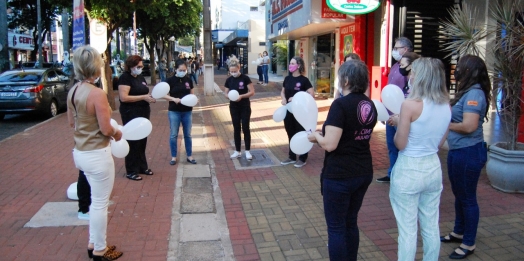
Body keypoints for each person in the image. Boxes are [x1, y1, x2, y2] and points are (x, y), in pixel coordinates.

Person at [307, 60, 377, 260]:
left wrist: (316, 137)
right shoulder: (368, 103)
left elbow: (330, 144)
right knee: (350, 222)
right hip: (362, 170)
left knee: (336, 227)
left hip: (340, 175)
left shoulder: (341, 105)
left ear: (345, 80)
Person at [388, 57, 451, 261]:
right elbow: (439, 143)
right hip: (432, 167)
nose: (410, 76)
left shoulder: (410, 105)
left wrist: (399, 123)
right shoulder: (446, 105)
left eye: (413, 72)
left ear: (421, 77)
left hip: (409, 169)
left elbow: (400, 144)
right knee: (431, 225)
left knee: (407, 231)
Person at [67, 46, 123, 261]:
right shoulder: (97, 94)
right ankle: (100, 249)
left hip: (80, 152)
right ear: (96, 67)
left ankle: (94, 243)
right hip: (97, 153)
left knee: (94, 201)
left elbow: (72, 122)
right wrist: (117, 133)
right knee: (100, 203)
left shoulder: (73, 91)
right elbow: (106, 129)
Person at [440, 55, 490, 259]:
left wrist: (444, 123)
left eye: (460, 67)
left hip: (468, 152)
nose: (456, 70)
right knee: (460, 194)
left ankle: (468, 242)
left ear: (470, 70)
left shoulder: (475, 94)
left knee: (468, 198)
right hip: (458, 151)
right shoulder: (466, 92)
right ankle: (459, 231)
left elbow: (469, 126)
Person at [376, 36, 413, 183]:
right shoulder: (395, 66)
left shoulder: (410, 70)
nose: (394, 51)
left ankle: (402, 175)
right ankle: (392, 173)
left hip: (402, 115)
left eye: (397, 48)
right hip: (390, 114)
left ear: (406, 49)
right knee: (392, 145)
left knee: (402, 146)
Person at [118, 55, 156, 181]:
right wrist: (143, 97)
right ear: (131, 66)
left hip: (143, 111)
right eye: (138, 66)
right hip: (131, 112)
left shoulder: (140, 77)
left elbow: (144, 92)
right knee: (132, 141)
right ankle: (131, 170)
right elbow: (124, 97)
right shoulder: (125, 78)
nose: (140, 68)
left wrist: (149, 98)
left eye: (141, 66)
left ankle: (142, 166)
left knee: (142, 140)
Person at [280, 56, 314, 168]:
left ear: (298, 66)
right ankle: (291, 156)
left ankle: (303, 158)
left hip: (300, 113)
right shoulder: (287, 79)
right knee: (290, 132)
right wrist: (283, 98)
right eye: (290, 63)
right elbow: (283, 91)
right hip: (288, 111)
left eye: (293, 63)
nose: (290, 65)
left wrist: (296, 98)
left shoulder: (304, 80)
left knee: (301, 133)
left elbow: (311, 94)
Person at [164, 59, 197, 166]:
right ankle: (173, 156)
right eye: (180, 70)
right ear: (175, 69)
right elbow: (163, 94)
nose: (182, 72)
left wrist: (194, 100)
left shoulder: (188, 80)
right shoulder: (169, 80)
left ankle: (189, 155)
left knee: (188, 134)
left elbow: (192, 94)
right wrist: (173, 99)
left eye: (184, 70)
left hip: (187, 111)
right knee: (174, 134)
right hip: (174, 111)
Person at [224, 58, 255, 160]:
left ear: (239, 68)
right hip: (233, 107)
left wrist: (241, 96)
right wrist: (229, 96)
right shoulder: (229, 80)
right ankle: (237, 151)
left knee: (245, 127)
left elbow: (252, 92)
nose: (233, 73)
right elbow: (225, 93)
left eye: (235, 71)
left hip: (244, 106)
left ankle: (247, 151)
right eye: (231, 71)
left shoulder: (245, 78)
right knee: (236, 128)